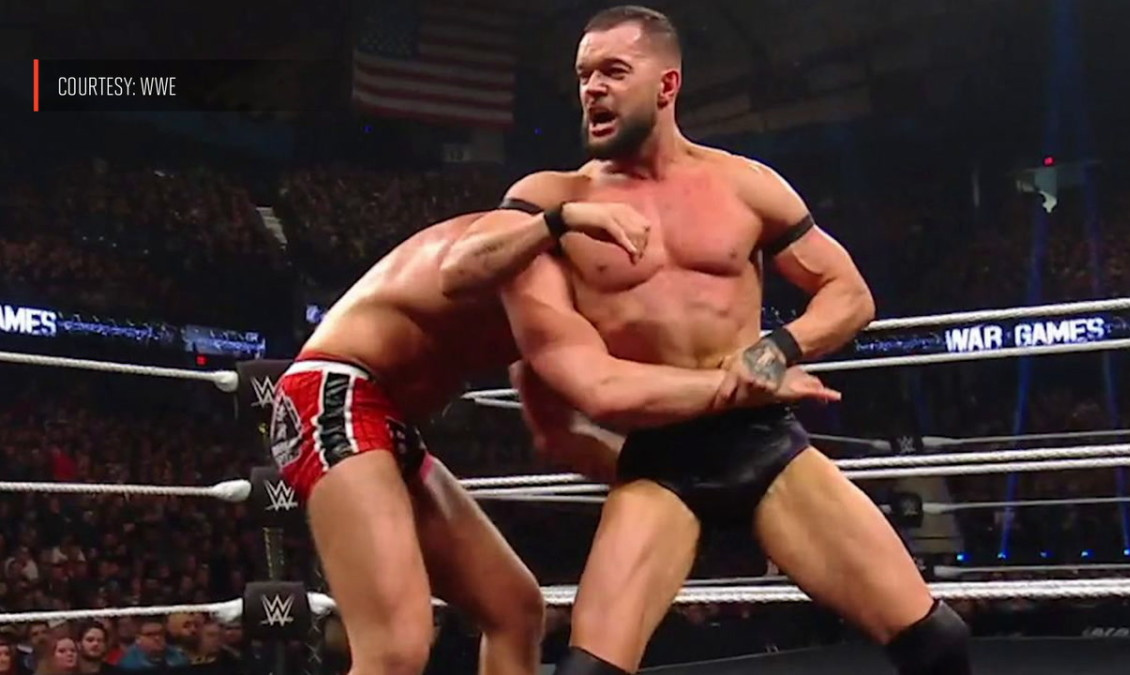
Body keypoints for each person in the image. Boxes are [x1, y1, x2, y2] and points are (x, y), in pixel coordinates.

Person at [441, 6, 970, 675]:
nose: (592, 88)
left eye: (613, 71)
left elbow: (850, 294)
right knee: (588, 671)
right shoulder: (553, 196)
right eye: (583, 75)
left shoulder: (744, 184)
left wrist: (775, 351)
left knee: (937, 642)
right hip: (661, 458)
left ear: (667, 85)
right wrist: (557, 221)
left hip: (762, 444)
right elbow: (465, 276)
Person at [271, 213, 835, 675]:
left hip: (390, 426)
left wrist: (682, 487)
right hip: (334, 392)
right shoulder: (515, 241)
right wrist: (558, 219)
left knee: (515, 610)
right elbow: (458, 270)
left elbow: (560, 435)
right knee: (394, 652)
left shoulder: (545, 315)